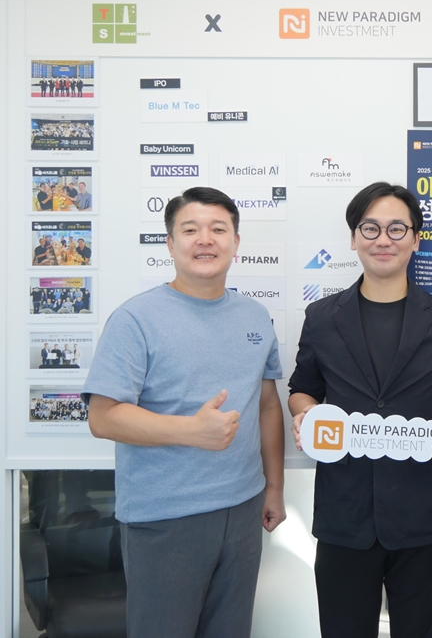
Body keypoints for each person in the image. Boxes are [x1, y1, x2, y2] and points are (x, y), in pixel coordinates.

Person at [83, 187, 285, 638]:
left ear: (236, 242)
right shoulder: (135, 319)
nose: (205, 240)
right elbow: (102, 416)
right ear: (170, 244)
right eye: (190, 230)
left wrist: (274, 487)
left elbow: (267, 403)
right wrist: (191, 431)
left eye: (218, 229)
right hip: (165, 517)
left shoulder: (255, 316)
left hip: (243, 508)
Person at [288, 182, 432, 638]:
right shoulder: (322, 317)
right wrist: (305, 413)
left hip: (421, 510)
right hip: (344, 510)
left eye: (397, 229)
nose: (383, 239)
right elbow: (302, 388)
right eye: (370, 228)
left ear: (416, 239)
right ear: (354, 239)